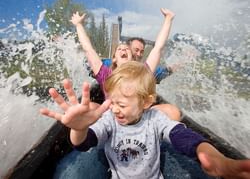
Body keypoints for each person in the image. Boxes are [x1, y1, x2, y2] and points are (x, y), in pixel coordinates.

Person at [40, 61, 250, 179]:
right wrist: (80, 128)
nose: (114, 109)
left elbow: (181, 135)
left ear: (146, 102)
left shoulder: (155, 118)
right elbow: (85, 142)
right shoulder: (109, 120)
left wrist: (215, 158)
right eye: (112, 102)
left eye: (121, 105)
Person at [71, 8, 181, 121]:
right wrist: (78, 25)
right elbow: (88, 49)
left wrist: (168, 19)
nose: (123, 50)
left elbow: (158, 48)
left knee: (172, 111)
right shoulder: (106, 73)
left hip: (138, 116)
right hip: (113, 116)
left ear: (132, 58)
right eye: (119, 49)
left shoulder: (142, 72)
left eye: (127, 50)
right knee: (90, 107)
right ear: (114, 59)